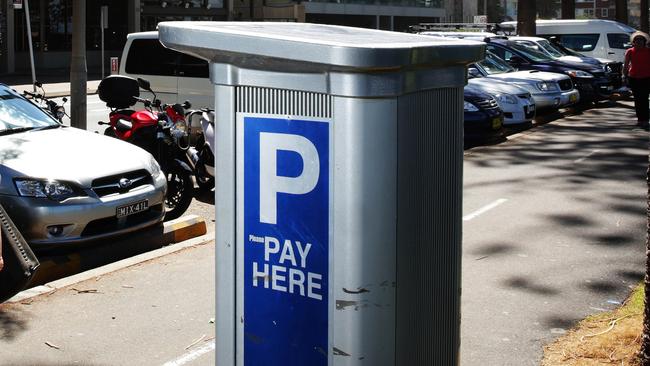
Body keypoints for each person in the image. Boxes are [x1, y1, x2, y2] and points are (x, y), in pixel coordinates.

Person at [623, 31, 650, 129]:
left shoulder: (648, 51)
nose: (639, 42)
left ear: (644, 42)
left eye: (641, 40)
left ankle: (646, 120)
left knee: (644, 99)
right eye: (636, 40)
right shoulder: (630, 51)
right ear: (633, 42)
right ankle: (640, 120)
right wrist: (624, 76)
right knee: (637, 99)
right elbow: (626, 65)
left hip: (647, 78)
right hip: (634, 78)